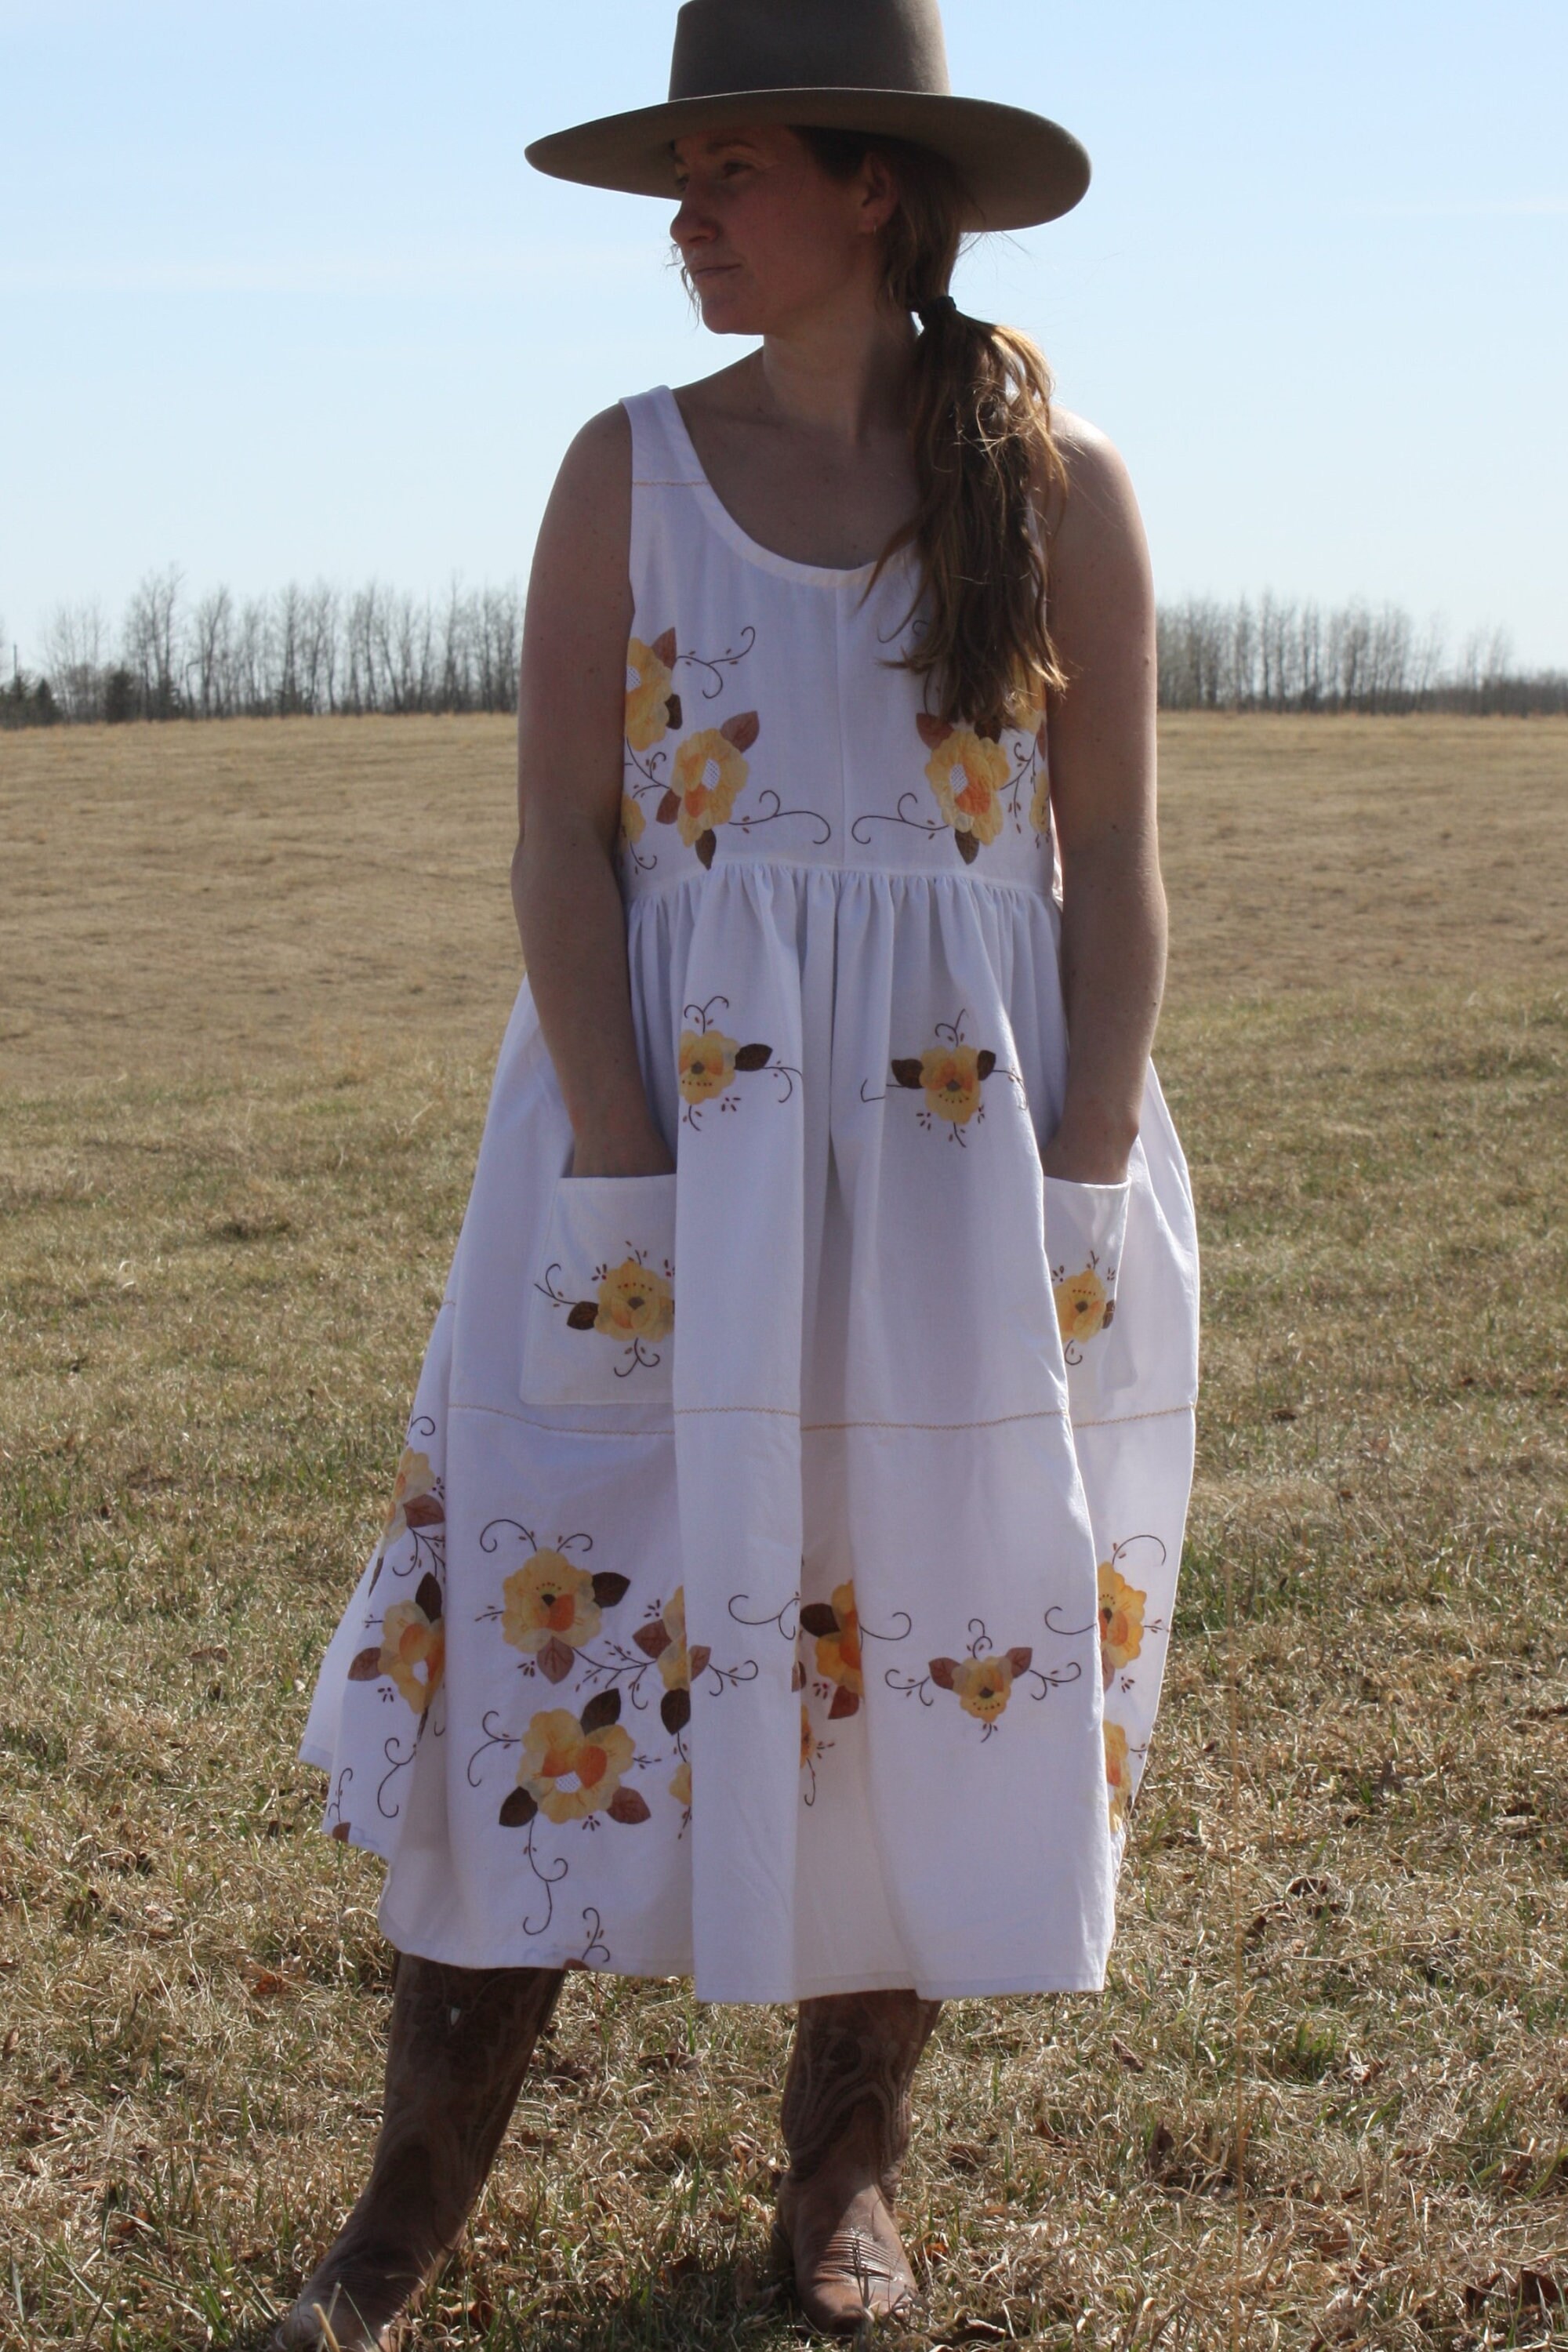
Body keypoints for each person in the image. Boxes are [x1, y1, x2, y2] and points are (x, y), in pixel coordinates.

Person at [277, 0, 1200, 2342]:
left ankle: (845, 2181)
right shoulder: (628, 471)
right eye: (677, 177)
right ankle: (401, 2216)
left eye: (730, 169)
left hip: (964, 1165)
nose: (685, 220)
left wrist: (1086, 1186)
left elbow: (1110, 865)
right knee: (562, 1596)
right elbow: (560, 850)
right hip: (655, 1136)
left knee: (918, 1612)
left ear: (872, 189)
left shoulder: (1061, 489)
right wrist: (617, 1163)